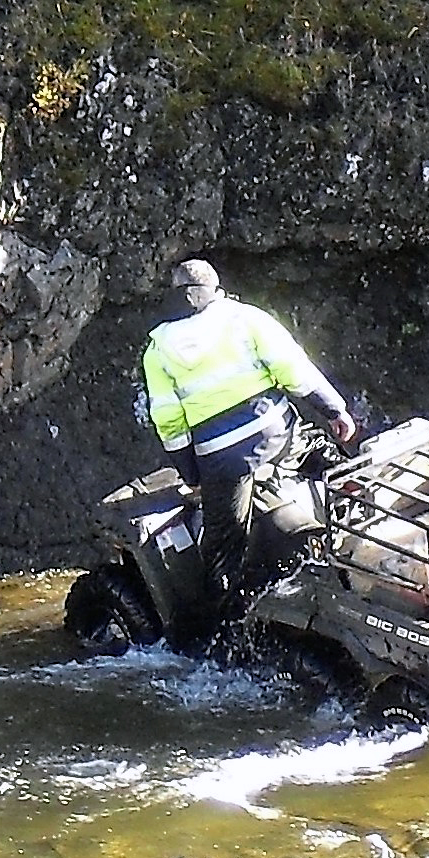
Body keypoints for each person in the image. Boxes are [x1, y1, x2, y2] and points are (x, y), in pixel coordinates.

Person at [141, 258, 357, 618]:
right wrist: (335, 411)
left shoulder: (158, 349)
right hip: (276, 435)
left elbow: (168, 422)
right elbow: (294, 369)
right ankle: (354, 499)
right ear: (215, 288)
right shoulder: (245, 318)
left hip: (221, 459)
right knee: (320, 454)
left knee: (224, 541)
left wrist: (193, 475)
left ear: (175, 295)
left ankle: (224, 624)